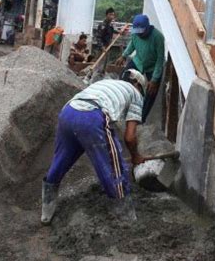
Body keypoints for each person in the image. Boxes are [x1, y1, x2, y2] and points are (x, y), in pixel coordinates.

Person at [41, 70, 147, 225]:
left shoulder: (104, 83)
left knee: (60, 161)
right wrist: (136, 156)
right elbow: (130, 137)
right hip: (92, 117)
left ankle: (46, 212)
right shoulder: (136, 94)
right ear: (138, 84)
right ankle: (126, 216)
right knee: (113, 167)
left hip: (68, 112)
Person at [117, 14, 165, 122]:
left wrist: (154, 79)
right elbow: (132, 44)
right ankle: (121, 109)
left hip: (152, 66)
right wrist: (124, 55)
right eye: (137, 32)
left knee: (151, 92)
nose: (139, 35)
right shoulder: (135, 34)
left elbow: (160, 60)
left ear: (147, 28)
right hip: (138, 61)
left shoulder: (158, 37)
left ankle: (140, 119)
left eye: (141, 32)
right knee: (123, 78)